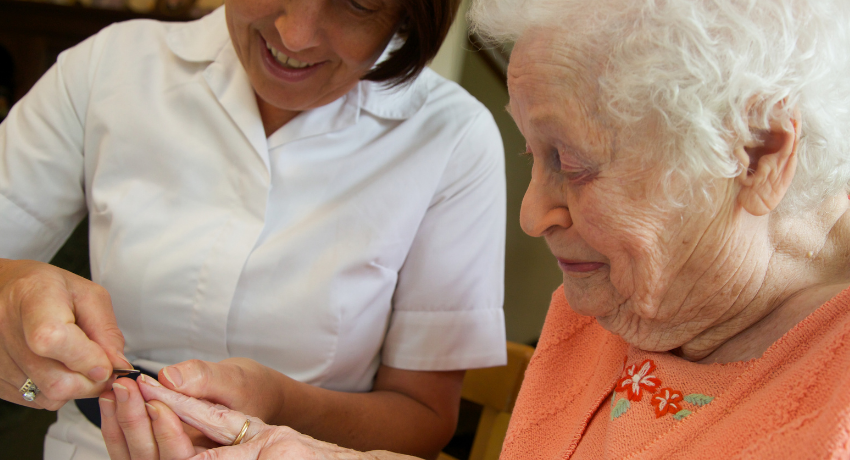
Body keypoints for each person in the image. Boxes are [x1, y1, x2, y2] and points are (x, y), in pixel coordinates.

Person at [99, 0, 850, 457]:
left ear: (758, 155)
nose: (532, 214)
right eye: (535, 154)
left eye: (573, 162)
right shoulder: (619, 301)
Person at [0, 0, 508, 458]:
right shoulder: (111, 66)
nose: (295, 34)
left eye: (357, 3)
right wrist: (15, 323)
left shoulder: (453, 138)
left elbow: (423, 418)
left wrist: (282, 405)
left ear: (410, 14)